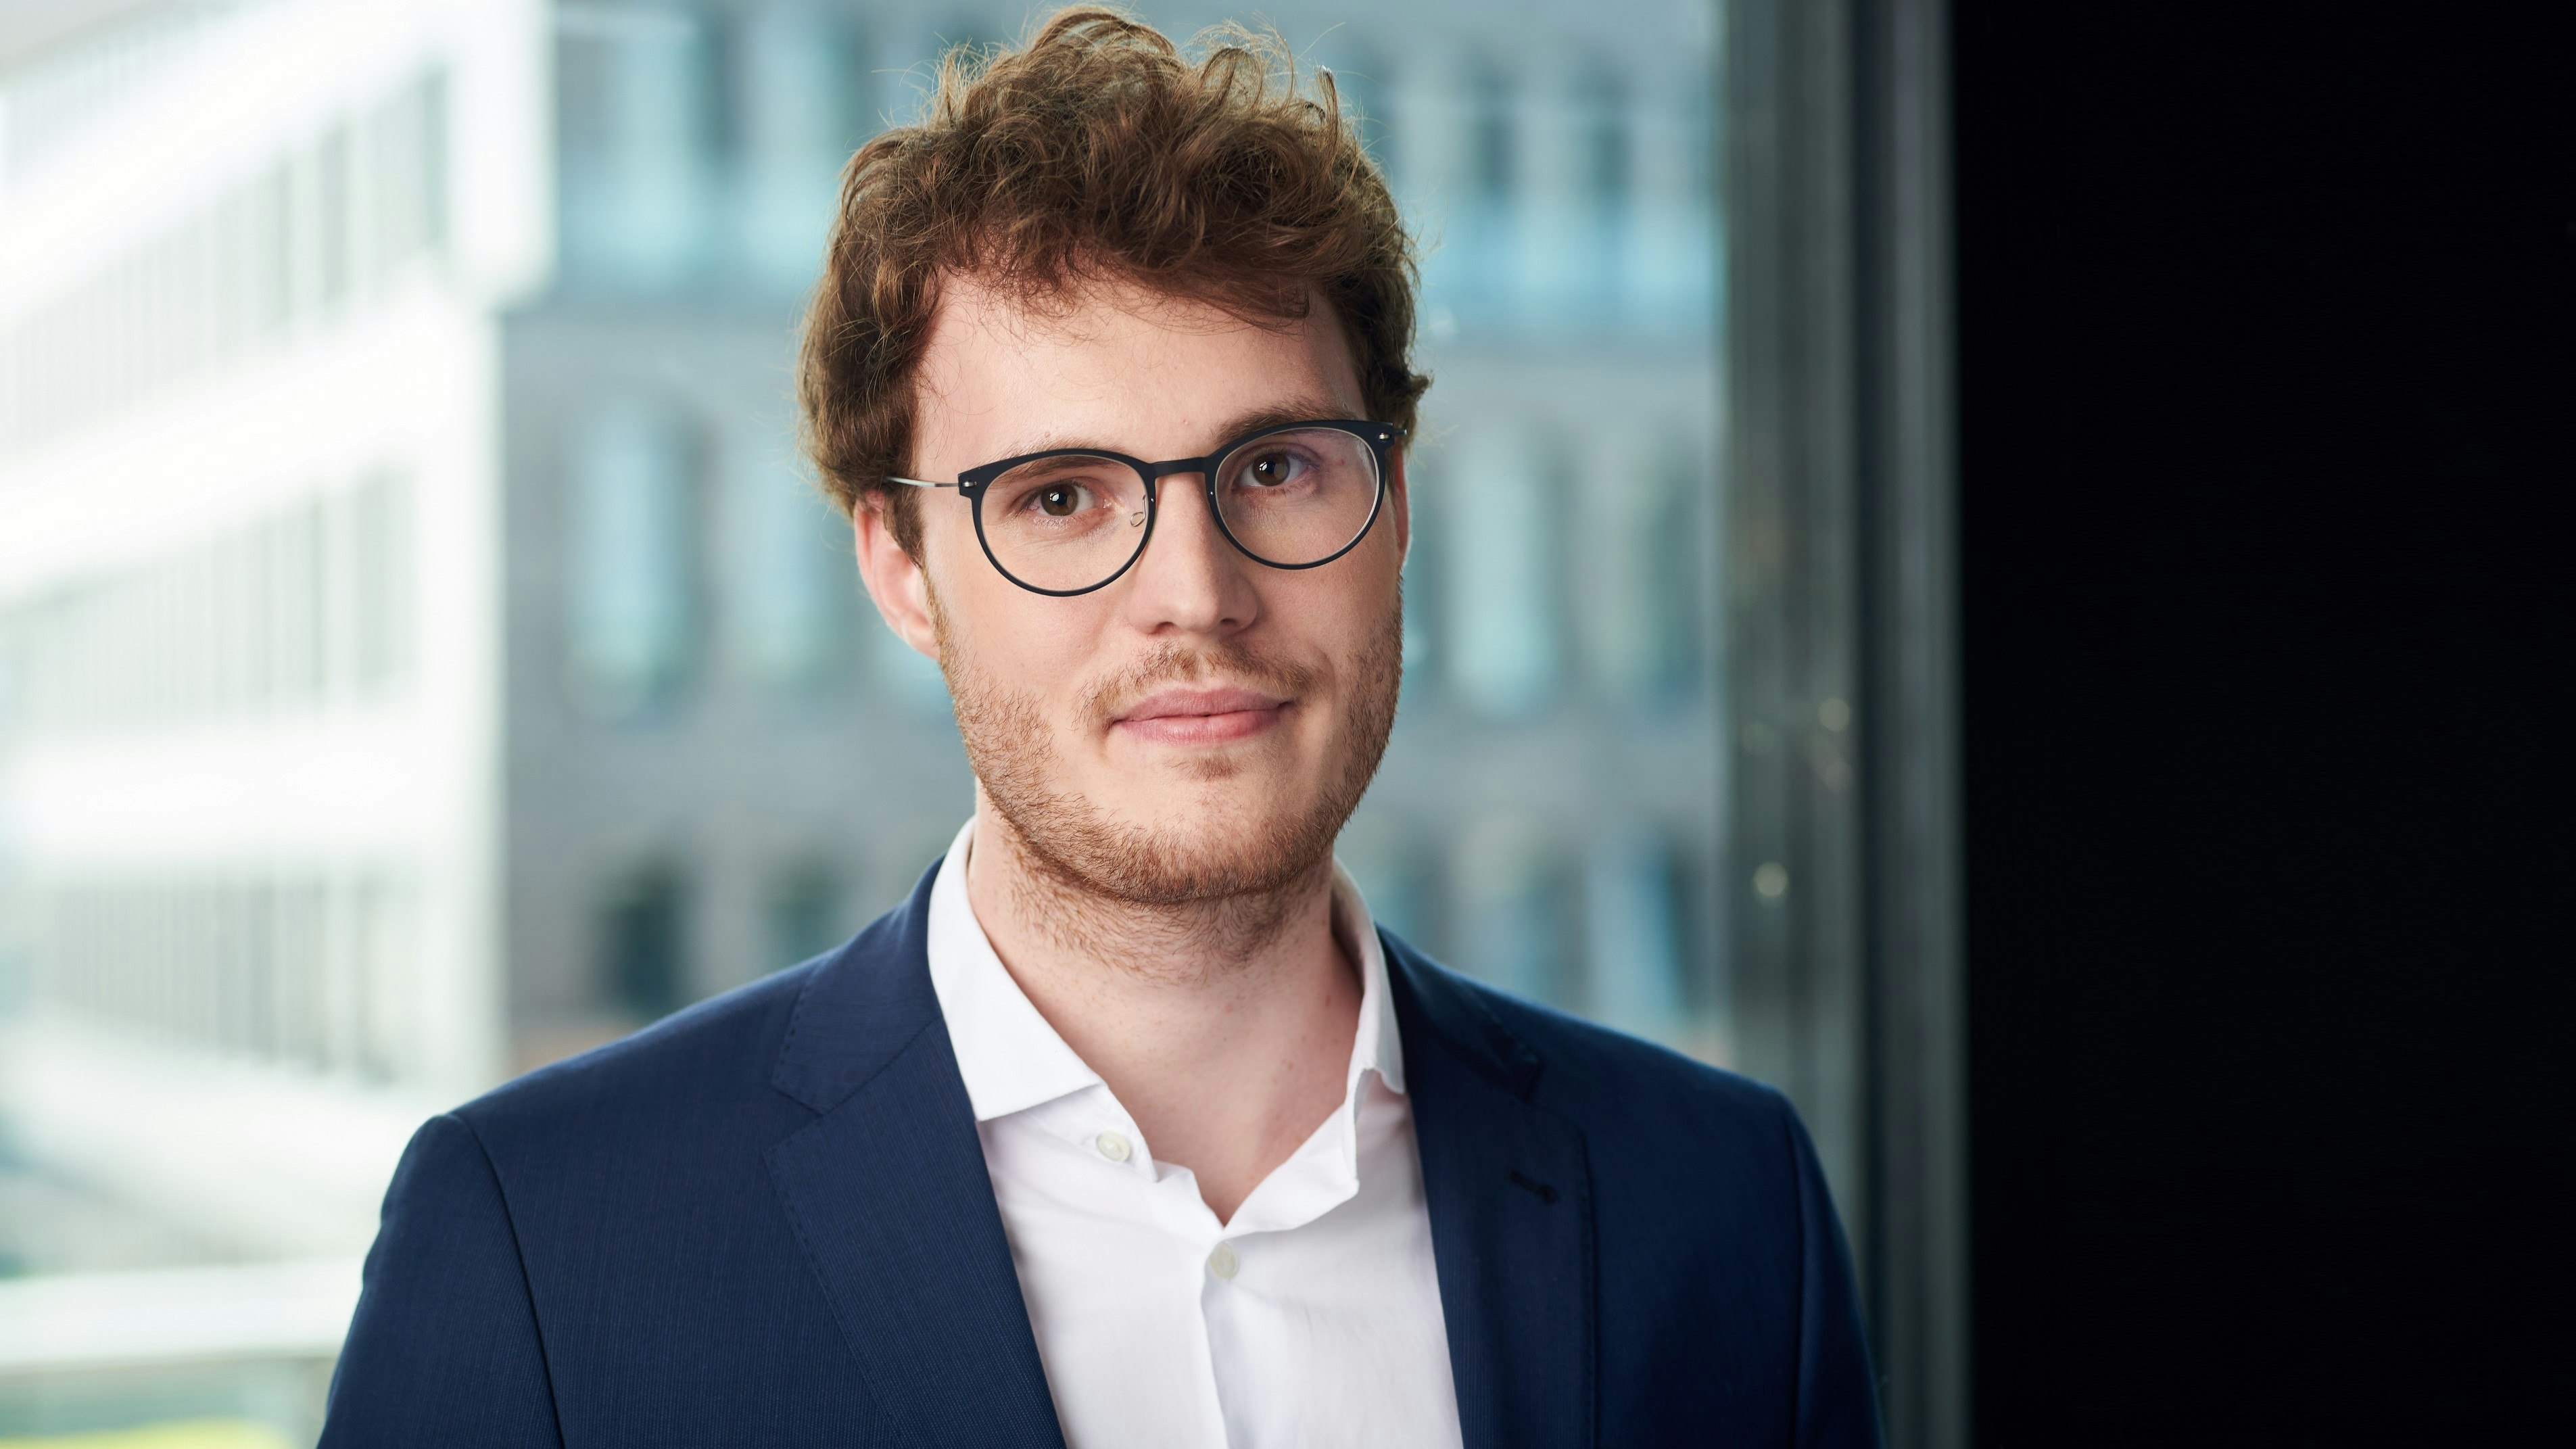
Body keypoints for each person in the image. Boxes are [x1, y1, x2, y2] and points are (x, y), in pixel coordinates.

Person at [318, 9, 1880, 1446]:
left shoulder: (1724, 1202)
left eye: (1274, 468)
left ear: (1394, 507)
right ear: (902, 571)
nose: (1193, 596)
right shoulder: (540, 1238)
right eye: (1061, 498)